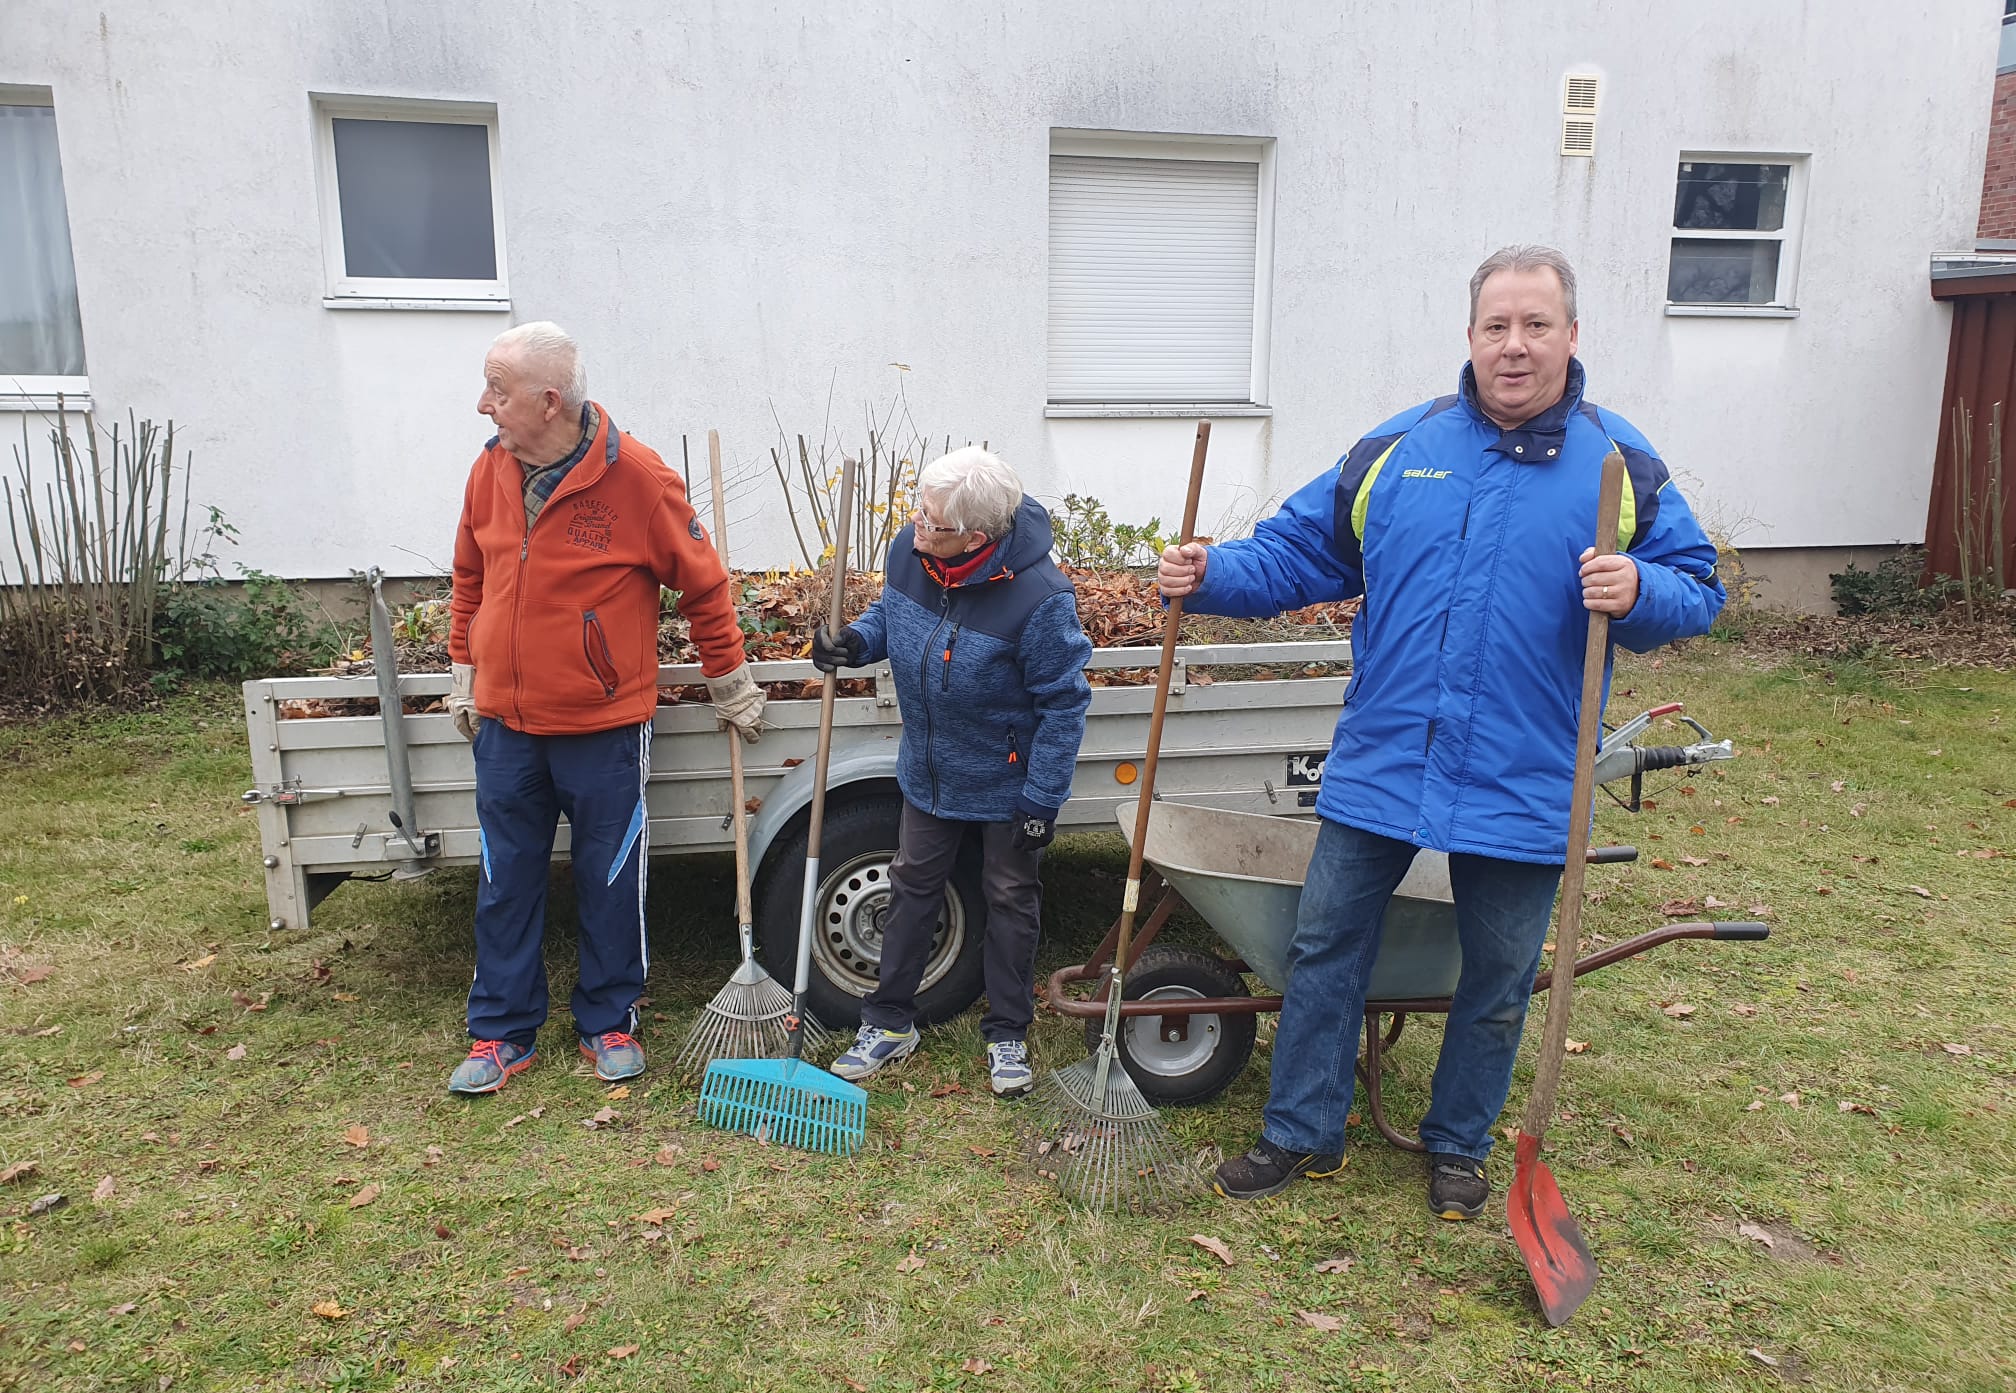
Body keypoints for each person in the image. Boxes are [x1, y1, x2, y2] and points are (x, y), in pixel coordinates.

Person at [1157, 245, 1725, 1219]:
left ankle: (1458, 1145)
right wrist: (1207, 576)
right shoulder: (1400, 449)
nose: (1515, 345)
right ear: (1470, 337)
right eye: (1497, 325)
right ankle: (1301, 1130)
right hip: (1388, 754)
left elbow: (1697, 588)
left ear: (1572, 336)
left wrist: (1640, 591)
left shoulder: (1617, 464)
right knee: (1324, 944)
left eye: (1536, 325)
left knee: (1498, 973)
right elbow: (1297, 556)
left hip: (1526, 766)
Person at [443, 321, 764, 1094]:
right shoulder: (490, 470)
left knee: (610, 876)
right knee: (504, 877)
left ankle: (610, 1019)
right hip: (507, 726)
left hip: (604, 728)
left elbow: (704, 584)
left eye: (498, 389)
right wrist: (464, 667)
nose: (482, 404)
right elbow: (469, 573)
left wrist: (729, 679)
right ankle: (500, 1031)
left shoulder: (638, 479)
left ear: (549, 402)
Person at [811, 447, 1093, 1097]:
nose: (916, 524)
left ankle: (1007, 1034)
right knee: (911, 887)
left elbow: (1064, 703)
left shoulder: (1040, 598)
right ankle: (887, 1022)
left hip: (1007, 781)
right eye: (918, 509)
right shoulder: (910, 554)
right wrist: (855, 641)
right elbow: (893, 618)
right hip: (930, 768)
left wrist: (1041, 801)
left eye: (931, 519)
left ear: (975, 536)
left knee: (1009, 898)